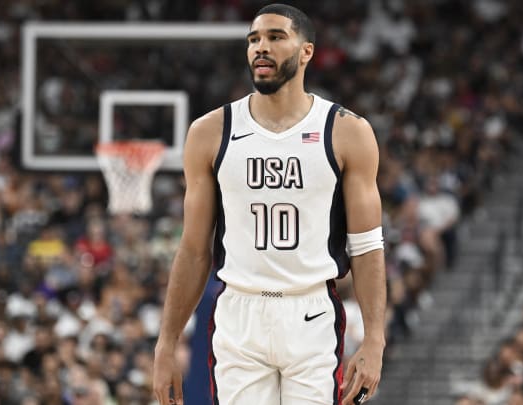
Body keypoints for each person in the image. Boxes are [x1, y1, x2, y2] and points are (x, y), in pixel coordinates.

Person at [152, 4, 386, 405]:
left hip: (311, 311)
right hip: (239, 311)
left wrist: (375, 339)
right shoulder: (210, 132)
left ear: (306, 51)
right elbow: (193, 250)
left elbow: (366, 246)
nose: (261, 47)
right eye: (254, 39)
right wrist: (166, 343)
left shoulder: (347, 131)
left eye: (276, 37)